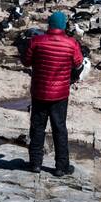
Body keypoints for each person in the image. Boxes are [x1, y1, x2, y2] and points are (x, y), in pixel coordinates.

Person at [21, 11, 83, 175]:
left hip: (40, 91)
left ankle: (35, 164)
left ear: (50, 24)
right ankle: (61, 167)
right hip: (60, 94)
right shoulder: (71, 43)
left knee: (37, 127)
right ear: (63, 25)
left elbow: (26, 62)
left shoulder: (36, 41)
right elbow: (78, 64)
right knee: (59, 128)